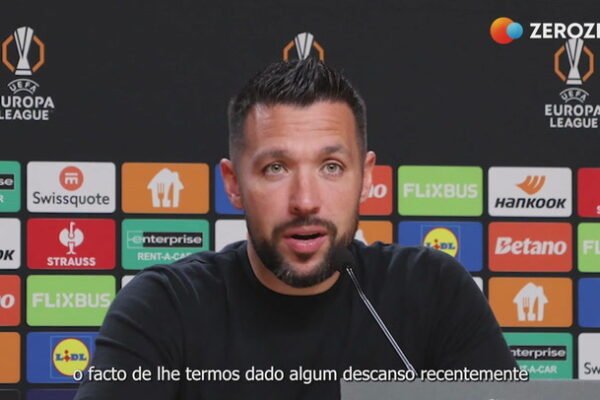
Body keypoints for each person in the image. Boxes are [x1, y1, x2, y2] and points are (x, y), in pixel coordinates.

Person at [74, 58, 517, 399]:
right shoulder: (164, 306)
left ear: (366, 179)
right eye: (276, 168)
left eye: (331, 166)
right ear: (233, 184)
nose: (305, 200)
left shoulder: (433, 290)